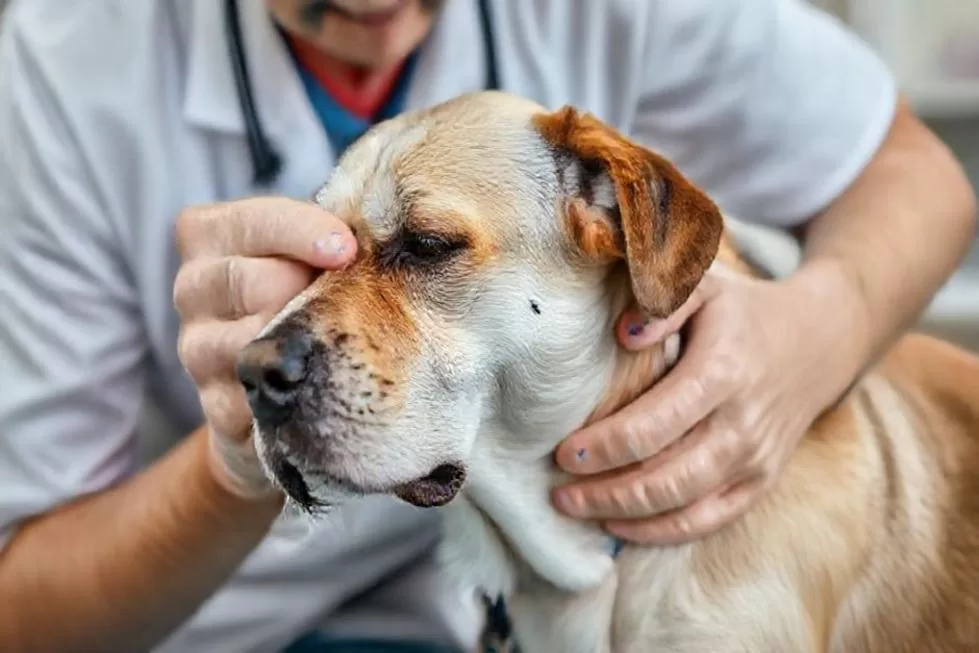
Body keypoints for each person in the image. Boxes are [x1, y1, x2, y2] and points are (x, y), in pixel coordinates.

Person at [0, 0, 974, 651]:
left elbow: (910, 172)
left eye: (424, 244)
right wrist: (230, 463)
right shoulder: (60, 61)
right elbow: (22, 603)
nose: (379, 13)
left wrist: (816, 331)